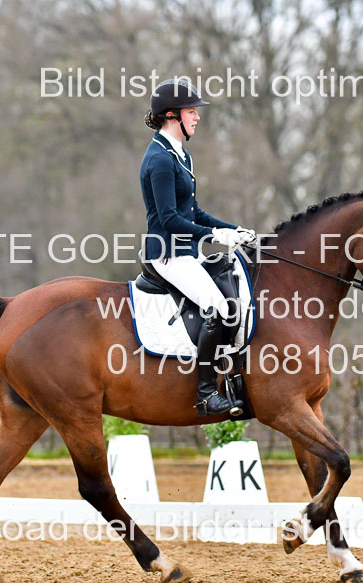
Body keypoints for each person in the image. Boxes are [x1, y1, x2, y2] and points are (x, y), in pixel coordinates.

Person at [139, 79, 255, 416]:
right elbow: (170, 219)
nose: (198, 117)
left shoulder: (181, 155)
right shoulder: (159, 159)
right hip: (168, 253)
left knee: (233, 299)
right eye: (192, 111)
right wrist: (217, 235)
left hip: (188, 251)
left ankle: (230, 379)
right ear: (172, 115)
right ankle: (206, 395)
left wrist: (234, 230)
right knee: (220, 308)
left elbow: (195, 212)